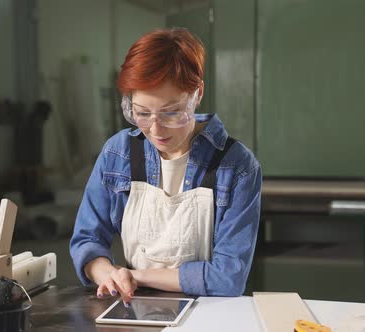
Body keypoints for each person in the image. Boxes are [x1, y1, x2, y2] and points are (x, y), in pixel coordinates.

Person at [70, 28, 261, 306]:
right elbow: (86, 240)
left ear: (197, 94)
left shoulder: (237, 166)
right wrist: (108, 274)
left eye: (171, 112)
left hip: (210, 313)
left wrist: (137, 276)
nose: (156, 129)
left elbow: (229, 277)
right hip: (132, 307)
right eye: (142, 113)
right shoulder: (118, 153)